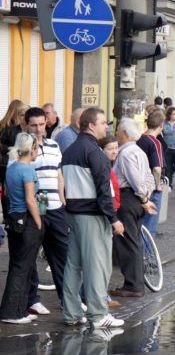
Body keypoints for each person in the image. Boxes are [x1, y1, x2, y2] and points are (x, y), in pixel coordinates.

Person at [60, 108, 125, 329]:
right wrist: (114, 219)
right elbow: (104, 191)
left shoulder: (69, 151)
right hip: (92, 216)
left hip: (73, 214)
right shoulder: (95, 152)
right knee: (97, 266)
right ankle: (98, 315)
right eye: (103, 123)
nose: (106, 126)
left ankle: (71, 313)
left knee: (73, 266)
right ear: (90, 125)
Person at [22, 107, 66, 314]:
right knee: (30, 256)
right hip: (36, 209)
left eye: (42, 124)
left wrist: (63, 198)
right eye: (34, 125)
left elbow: (58, 174)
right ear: (26, 125)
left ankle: (68, 299)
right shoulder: (23, 148)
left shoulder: (54, 145)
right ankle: (33, 300)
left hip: (56, 207)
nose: (39, 129)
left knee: (62, 256)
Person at [1, 134, 43, 324]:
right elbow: (30, 199)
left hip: (13, 220)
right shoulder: (28, 171)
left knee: (17, 265)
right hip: (26, 221)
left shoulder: (11, 168)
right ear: (32, 149)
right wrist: (39, 222)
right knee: (22, 268)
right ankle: (12, 312)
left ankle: (18, 310)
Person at [111, 119, 156, 299]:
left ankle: (133, 285)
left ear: (124, 133)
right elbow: (149, 178)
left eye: (118, 131)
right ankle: (135, 283)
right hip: (136, 199)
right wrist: (146, 196)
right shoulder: (139, 151)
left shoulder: (126, 154)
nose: (116, 134)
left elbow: (135, 179)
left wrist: (143, 197)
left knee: (127, 242)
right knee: (134, 241)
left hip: (128, 198)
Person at [138, 109, 165, 235]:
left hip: (139, 185)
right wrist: (158, 184)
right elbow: (156, 168)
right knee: (149, 226)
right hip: (151, 187)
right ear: (161, 125)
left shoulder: (139, 140)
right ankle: (147, 252)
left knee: (140, 223)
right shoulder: (155, 142)